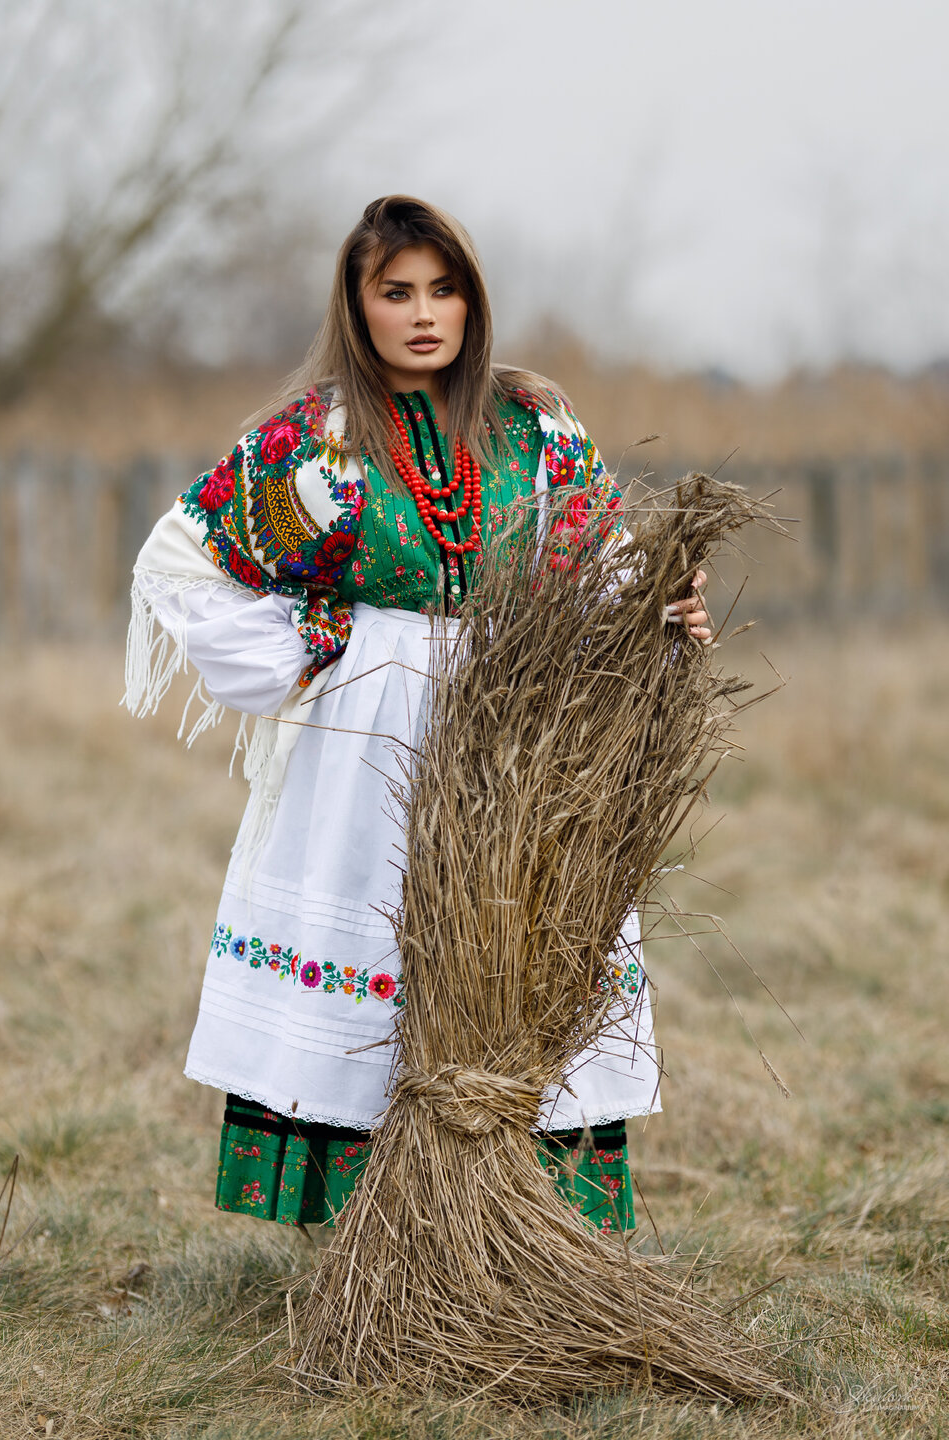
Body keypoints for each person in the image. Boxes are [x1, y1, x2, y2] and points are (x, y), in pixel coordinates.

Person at [126, 196, 711, 1236]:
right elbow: (182, 558)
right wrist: (312, 643)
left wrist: (660, 607)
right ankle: (382, 1242)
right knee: (385, 951)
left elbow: (600, 567)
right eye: (396, 292)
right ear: (357, 304)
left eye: (444, 290)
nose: (424, 313)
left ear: (472, 301)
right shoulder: (314, 443)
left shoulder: (532, 426)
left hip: (513, 729)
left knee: (517, 947)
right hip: (368, 743)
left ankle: (519, 1231)